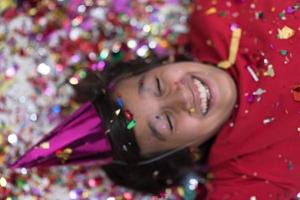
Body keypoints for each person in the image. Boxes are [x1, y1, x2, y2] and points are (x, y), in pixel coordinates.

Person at [8, 0, 300, 199]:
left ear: (161, 65)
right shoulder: (245, 179)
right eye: (167, 122)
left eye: (158, 85)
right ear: (187, 149)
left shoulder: (216, 15)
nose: (180, 96)